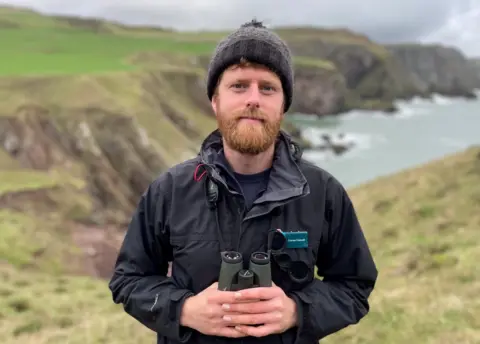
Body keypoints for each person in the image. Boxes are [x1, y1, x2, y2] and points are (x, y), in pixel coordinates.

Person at [108, 19, 378, 344]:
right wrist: (185, 310)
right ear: (215, 101)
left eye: (267, 88)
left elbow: (355, 285)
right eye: (239, 86)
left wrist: (296, 311)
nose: (254, 99)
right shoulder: (169, 190)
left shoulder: (323, 193)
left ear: (283, 104)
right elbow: (128, 280)